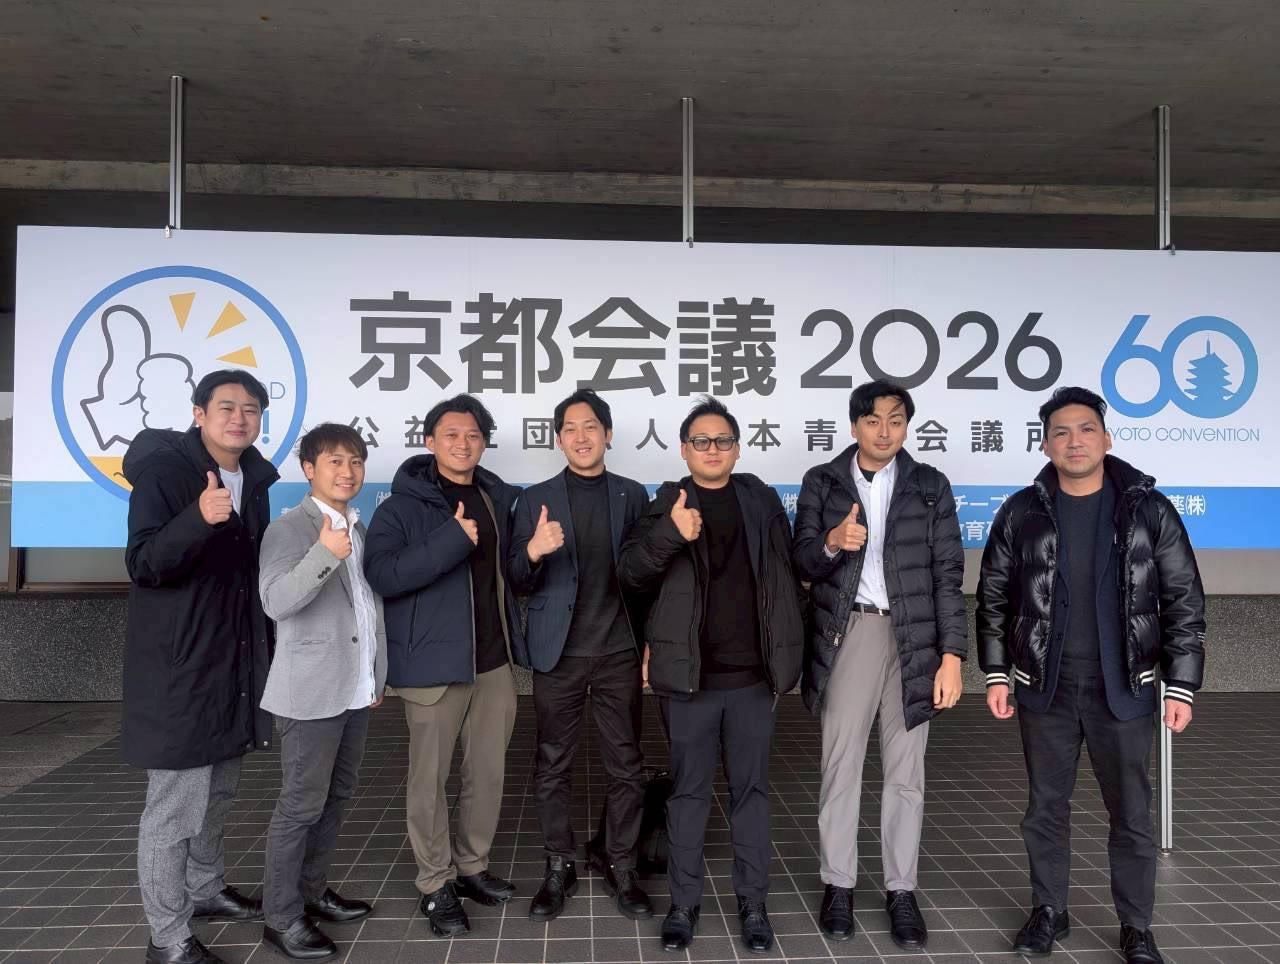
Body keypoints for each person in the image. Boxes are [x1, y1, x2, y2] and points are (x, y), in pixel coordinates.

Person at [977, 386, 1206, 964]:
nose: (1073, 441)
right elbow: (994, 597)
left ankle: (1136, 926)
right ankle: (1048, 911)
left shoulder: (1149, 509)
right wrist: (997, 673)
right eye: (1060, 432)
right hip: (1046, 686)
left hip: (1124, 687)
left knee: (1131, 812)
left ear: (1106, 439)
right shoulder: (1021, 511)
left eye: (1085, 430)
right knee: (1045, 808)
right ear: (1046, 444)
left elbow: (1183, 597)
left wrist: (1181, 683)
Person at [618, 396, 804, 955]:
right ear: (684, 450)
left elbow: (789, 573)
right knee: (688, 794)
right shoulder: (664, 504)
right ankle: (684, 904)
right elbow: (630, 574)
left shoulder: (761, 501)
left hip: (752, 680)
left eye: (722, 440)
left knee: (751, 793)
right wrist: (671, 534)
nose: (712, 449)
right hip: (689, 683)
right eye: (701, 441)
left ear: (737, 449)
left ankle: (753, 903)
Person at [792, 379, 967, 950]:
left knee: (906, 770)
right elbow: (801, 561)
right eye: (873, 420)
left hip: (915, 638)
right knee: (841, 764)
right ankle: (838, 884)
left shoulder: (930, 486)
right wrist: (832, 542)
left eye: (895, 420)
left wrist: (952, 656)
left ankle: (901, 890)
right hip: (851, 632)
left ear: (906, 427)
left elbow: (947, 576)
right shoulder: (823, 481)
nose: (884, 431)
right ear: (854, 427)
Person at [122, 369, 277, 964]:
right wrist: (197, 517)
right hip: (180, 669)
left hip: (232, 663)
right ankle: (167, 937)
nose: (239, 418)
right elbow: (143, 563)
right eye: (227, 407)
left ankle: (206, 889)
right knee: (174, 807)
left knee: (219, 791)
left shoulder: (254, 479)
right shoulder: (166, 475)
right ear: (198, 414)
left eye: (251, 409)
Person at [363, 394, 526, 937]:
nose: (463, 443)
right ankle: (435, 883)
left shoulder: (496, 499)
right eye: (451, 434)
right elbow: (383, 575)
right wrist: (450, 540)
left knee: (487, 772)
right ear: (429, 441)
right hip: (432, 666)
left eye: (473, 435)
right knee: (428, 780)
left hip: (492, 662)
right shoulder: (400, 507)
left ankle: (472, 867)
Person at [508, 389, 653, 923]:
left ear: (608, 434)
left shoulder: (633, 495)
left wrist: (650, 644)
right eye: (569, 428)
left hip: (618, 650)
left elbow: (647, 576)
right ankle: (558, 864)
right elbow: (514, 577)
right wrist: (533, 550)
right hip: (559, 652)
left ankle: (621, 863)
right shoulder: (534, 500)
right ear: (558, 439)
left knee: (626, 765)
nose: (581, 436)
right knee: (552, 764)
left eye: (591, 426)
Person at [257, 423, 387, 960]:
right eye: (335, 461)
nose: (348, 471)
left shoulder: (359, 527)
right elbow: (276, 602)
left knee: (336, 797)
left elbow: (367, 608)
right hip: (309, 693)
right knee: (300, 805)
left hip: (354, 688)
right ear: (309, 469)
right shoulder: (290, 529)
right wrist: (324, 554)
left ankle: (312, 892)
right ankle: (281, 917)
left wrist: (376, 673)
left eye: (355, 461)